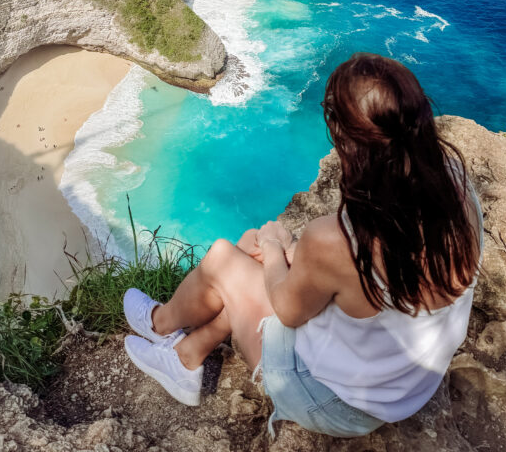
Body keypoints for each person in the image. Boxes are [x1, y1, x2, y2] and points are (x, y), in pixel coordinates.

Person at [122, 53, 484, 439]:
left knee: (227, 256)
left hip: (333, 402)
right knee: (251, 253)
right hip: (406, 385)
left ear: (344, 136)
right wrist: (292, 256)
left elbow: (287, 310)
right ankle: (188, 354)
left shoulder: (340, 239)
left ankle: (161, 324)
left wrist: (278, 247)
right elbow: (365, 283)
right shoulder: (455, 185)